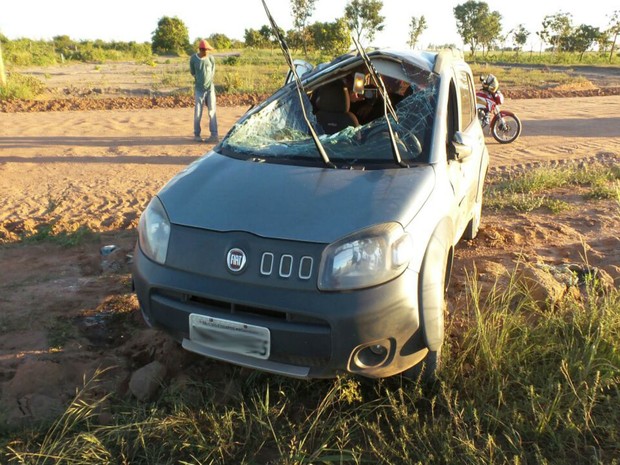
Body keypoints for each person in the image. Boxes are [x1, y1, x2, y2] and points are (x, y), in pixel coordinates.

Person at [190, 39, 219, 143]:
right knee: (198, 112)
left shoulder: (211, 58)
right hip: (199, 89)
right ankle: (197, 134)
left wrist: (208, 83)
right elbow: (193, 72)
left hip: (210, 88)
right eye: (206, 50)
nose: (208, 52)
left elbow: (213, 72)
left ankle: (214, 135)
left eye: (208, 50)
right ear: (201, 50)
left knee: (212, 111)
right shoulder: (193, 59)